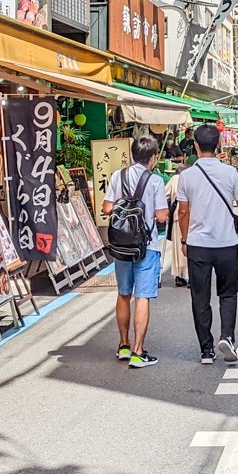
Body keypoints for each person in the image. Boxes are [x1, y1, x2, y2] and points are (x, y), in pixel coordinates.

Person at [174, 124, 238, 365]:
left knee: (200, 296)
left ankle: (206, 350)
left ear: (195, 146)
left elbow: (183, 212)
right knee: (228, 293)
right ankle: (227, 335)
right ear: (218, 146)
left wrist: (185, 240)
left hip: (198, 244)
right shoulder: (229, 173)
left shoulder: (185, 176)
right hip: (227, 243)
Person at [102, 134, 170, 369]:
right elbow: (161, 215)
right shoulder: (155, 181)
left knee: (123, 294)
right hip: (146, 246)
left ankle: (123, 345)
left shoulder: (117, 176)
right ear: (152, 158)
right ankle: (138, 352)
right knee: (142, 296)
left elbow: (107, 207)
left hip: (121, 246)